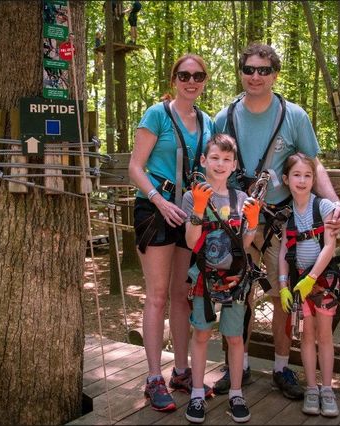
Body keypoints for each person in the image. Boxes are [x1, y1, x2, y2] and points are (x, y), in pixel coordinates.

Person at [213, 42, 340, 399]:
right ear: (240, 71)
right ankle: (235, 367)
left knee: (281, 297)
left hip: (279, 225)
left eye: (263, 70)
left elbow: (314, 165)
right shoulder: (223, 117)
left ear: (274, 74)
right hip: (237, 224)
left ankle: (281, 367)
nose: (255, 76)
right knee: (237, 295)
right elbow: (210, 167)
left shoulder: (294, 116)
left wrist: (333, 203)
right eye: (249, 69)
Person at [128, 54, 215, 412]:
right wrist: (159, 201)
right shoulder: (157, 114)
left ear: (205, 80)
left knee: (182, 294)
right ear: (173, 78)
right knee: (158, 295)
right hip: (155, 210)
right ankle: (153, 378)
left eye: (197, 76)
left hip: (189, 214)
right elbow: (135, 166)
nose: (190, 81)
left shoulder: (207, 122)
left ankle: (181, 371)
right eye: (184, 75)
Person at [183, 134, 260, 424]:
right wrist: (199, 210)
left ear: (234, 164)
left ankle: (236, 392)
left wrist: (252, 223)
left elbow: (246, 242)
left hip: (235, 277)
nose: (220, 163)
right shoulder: (193, 196)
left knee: (235, 337)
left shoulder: (240, 198)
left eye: (227, 159)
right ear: (203, 161)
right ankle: (197, 393)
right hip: (204, 274)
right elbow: (191, 243)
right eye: (214, 157)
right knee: (201, 333)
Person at [278, 152, 339, 417]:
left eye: (307, 175)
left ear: (314, 179)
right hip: (296, 282)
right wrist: (283, 284)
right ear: (286, 179)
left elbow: (329, 246)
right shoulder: (287, 213)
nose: (302, 180)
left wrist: (311, 279)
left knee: (324, 335)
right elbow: (283, 251)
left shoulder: (323, 207)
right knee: (306, 335)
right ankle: (311, 388)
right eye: (296, 175)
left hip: (323, 282)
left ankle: (327, 388)